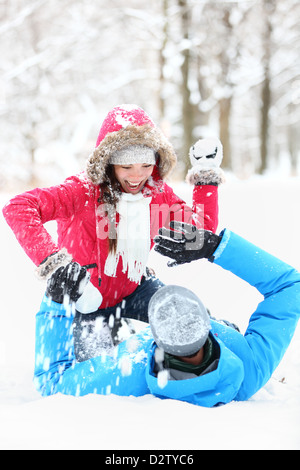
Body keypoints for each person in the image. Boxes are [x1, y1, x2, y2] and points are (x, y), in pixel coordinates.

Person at [2, 104, 224, 361]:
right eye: (126, 167)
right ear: (109, 164)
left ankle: (225, 341)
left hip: (134, 288)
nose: (137, 176)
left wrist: (206, 181)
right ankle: (113, 333)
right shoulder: (81, 191)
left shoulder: (155, 194)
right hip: (85, 300)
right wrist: (54, 263)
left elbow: (199, 231)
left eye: (145, 165)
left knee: (187, 322)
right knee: (101, 372)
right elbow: (18, 207)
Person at [33, 222, 300, 407]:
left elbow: (52, 384)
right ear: (209, 327)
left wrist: (56, 303)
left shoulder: (128, 375)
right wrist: (217, 247)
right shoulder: (250, 366)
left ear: (155, 338)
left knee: (91, 331)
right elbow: (290, 286)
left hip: (112, 341)